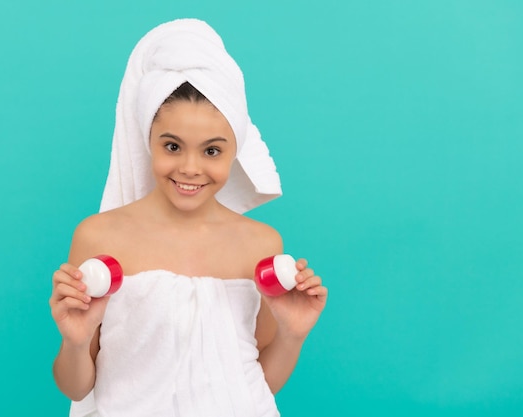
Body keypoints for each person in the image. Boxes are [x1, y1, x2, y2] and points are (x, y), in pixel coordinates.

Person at [49, 19, 328, 417]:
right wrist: (75, 342)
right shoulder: (99, 237)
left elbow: (255, 385)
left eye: (212, 151)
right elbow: (76, 387)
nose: (190, 168)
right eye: (173, 146)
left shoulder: (262, 247)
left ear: (235, 151)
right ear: (147, 139)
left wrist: (292, 335)